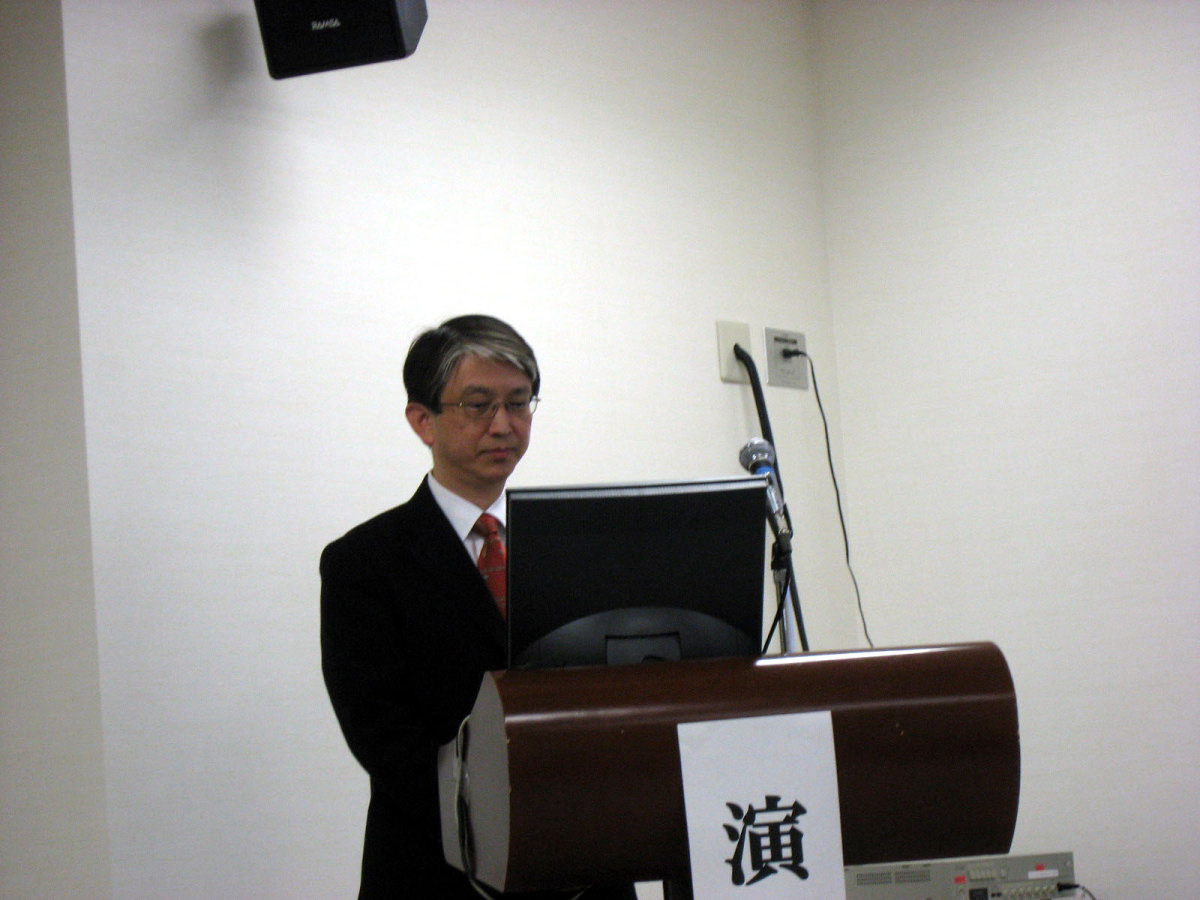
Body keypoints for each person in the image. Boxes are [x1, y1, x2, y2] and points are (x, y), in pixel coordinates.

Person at [320, 315, 637, 899]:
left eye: (518, 403)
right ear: (422, 420)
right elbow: (386, 740)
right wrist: (509, 822)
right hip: (438, 868)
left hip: (584, 866)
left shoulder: (575, 548)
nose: (503, 425)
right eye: (478, 405)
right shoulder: (364, 562)